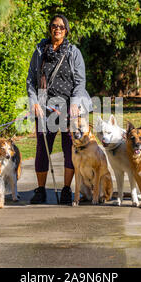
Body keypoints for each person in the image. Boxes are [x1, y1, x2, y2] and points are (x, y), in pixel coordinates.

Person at [26, 14, 92, 204]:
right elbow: (31, 79)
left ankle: (65, 189)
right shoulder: (40, 51)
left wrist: (74, 103)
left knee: (68, 148)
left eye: (61, 27)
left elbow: (80, 82)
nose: (57, 29)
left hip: (68, 108)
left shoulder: (73, 52)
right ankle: (40, 190)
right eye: (54, 26)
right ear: (50, 28)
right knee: (42, 148)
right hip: (45, 107)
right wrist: (34, 102)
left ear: (66, 30)